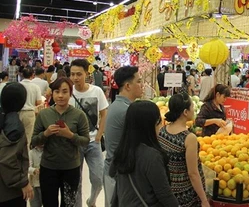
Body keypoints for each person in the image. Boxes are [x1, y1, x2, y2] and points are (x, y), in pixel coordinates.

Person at [31, 77, 90, 207]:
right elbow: (33, 141)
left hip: (71, 168)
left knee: (68, 204)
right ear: (52, 93)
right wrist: (45, 134)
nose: (60, 96)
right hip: (48, 167)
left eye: (65, 92)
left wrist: (70, 135)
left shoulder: (79, 115)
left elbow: (86, 141)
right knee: (49, 203)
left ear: (70, 93)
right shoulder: (44, 114)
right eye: (57, 92)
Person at [109, 101, 178, 206]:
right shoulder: (152, 156)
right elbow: (164, 194)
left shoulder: (122, 149)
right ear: (151, 125)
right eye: (158, 122)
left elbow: (112, 173)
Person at [69, 59, 108, 207]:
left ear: (86, 73)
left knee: (98, 178)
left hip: (93, 142)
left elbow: (104, 113)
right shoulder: (68, 92)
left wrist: (99, 135)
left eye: (79, 74)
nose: (75, 78)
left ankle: (91, 200)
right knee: (76, 180)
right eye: (72, 74)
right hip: (74, 142)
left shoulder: (96, 91)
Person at [159, 93, 209, 207]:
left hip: (169, 189)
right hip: (185, 193)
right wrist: (204, 199)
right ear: (185, 112)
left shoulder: (163, 130)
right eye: (192, 107)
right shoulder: (189, 138)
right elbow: (193, 173)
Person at [103, 66, 143, 206]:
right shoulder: (126, 111)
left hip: (114, 169)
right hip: (118, 174)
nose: (141, 85)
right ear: (127, 86)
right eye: (138, 81)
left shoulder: (117, 105)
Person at [0, 82, 34, 206]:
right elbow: (7, 159)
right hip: (9, 192)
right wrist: (23, 182)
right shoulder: (14, 127)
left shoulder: (3, 116)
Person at [19, 67, 43, 148]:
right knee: (29, 137)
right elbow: (39, 102)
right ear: (33, 75)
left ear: (22, 74)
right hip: (29, 113)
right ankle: (27, 158)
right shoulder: (35, 87)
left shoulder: (18, 85)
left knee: (18, 137)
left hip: (18, 113)